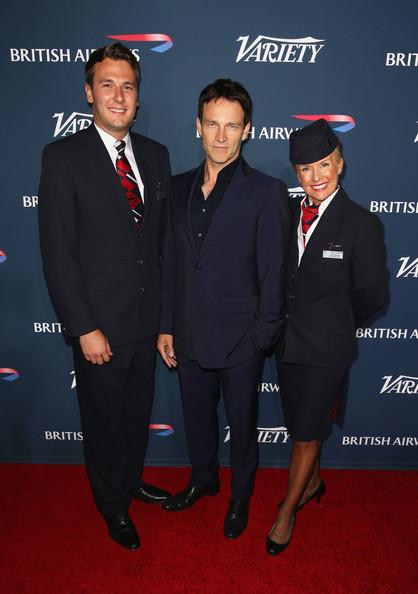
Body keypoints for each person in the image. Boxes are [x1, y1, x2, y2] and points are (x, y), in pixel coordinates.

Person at [38, 43, 171, 550]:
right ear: (89, 92)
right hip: (98, 325)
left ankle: (130, 480)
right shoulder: (63, 157)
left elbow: (160, 247)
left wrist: (165, 320)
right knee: (102, 420)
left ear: (139, 95)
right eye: (108, 84)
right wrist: (84, 326)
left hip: (146, 320)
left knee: (137, 412)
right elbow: (58, 253)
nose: (119, 95)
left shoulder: (156, 155)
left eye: (129, 85)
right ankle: (112, 506)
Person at [157, 79, 289, 539]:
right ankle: (203, 479)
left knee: (243, 424)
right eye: (212, 123)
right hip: (189, 333)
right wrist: (166, 326)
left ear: (247, 130)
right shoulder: (176, 188)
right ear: (198, 125)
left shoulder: (267, 191)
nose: (220, 135)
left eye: (231, 126)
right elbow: (171, 262)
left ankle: (240, 497)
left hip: (241, 340)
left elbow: (275, 271)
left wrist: (261, 338)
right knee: (196, 419)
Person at [267, 118, 389, 555]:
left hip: (327, 349)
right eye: (305, 169)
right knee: (306, 424)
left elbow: (373, 297)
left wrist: (334, 323)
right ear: (296, 174)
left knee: (303, 434)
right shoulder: (286, 215)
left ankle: (286, 511)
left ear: (340, 164)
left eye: (323, 165)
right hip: (286, 344)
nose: (315, 176)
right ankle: (314, 481)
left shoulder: (361, 224)